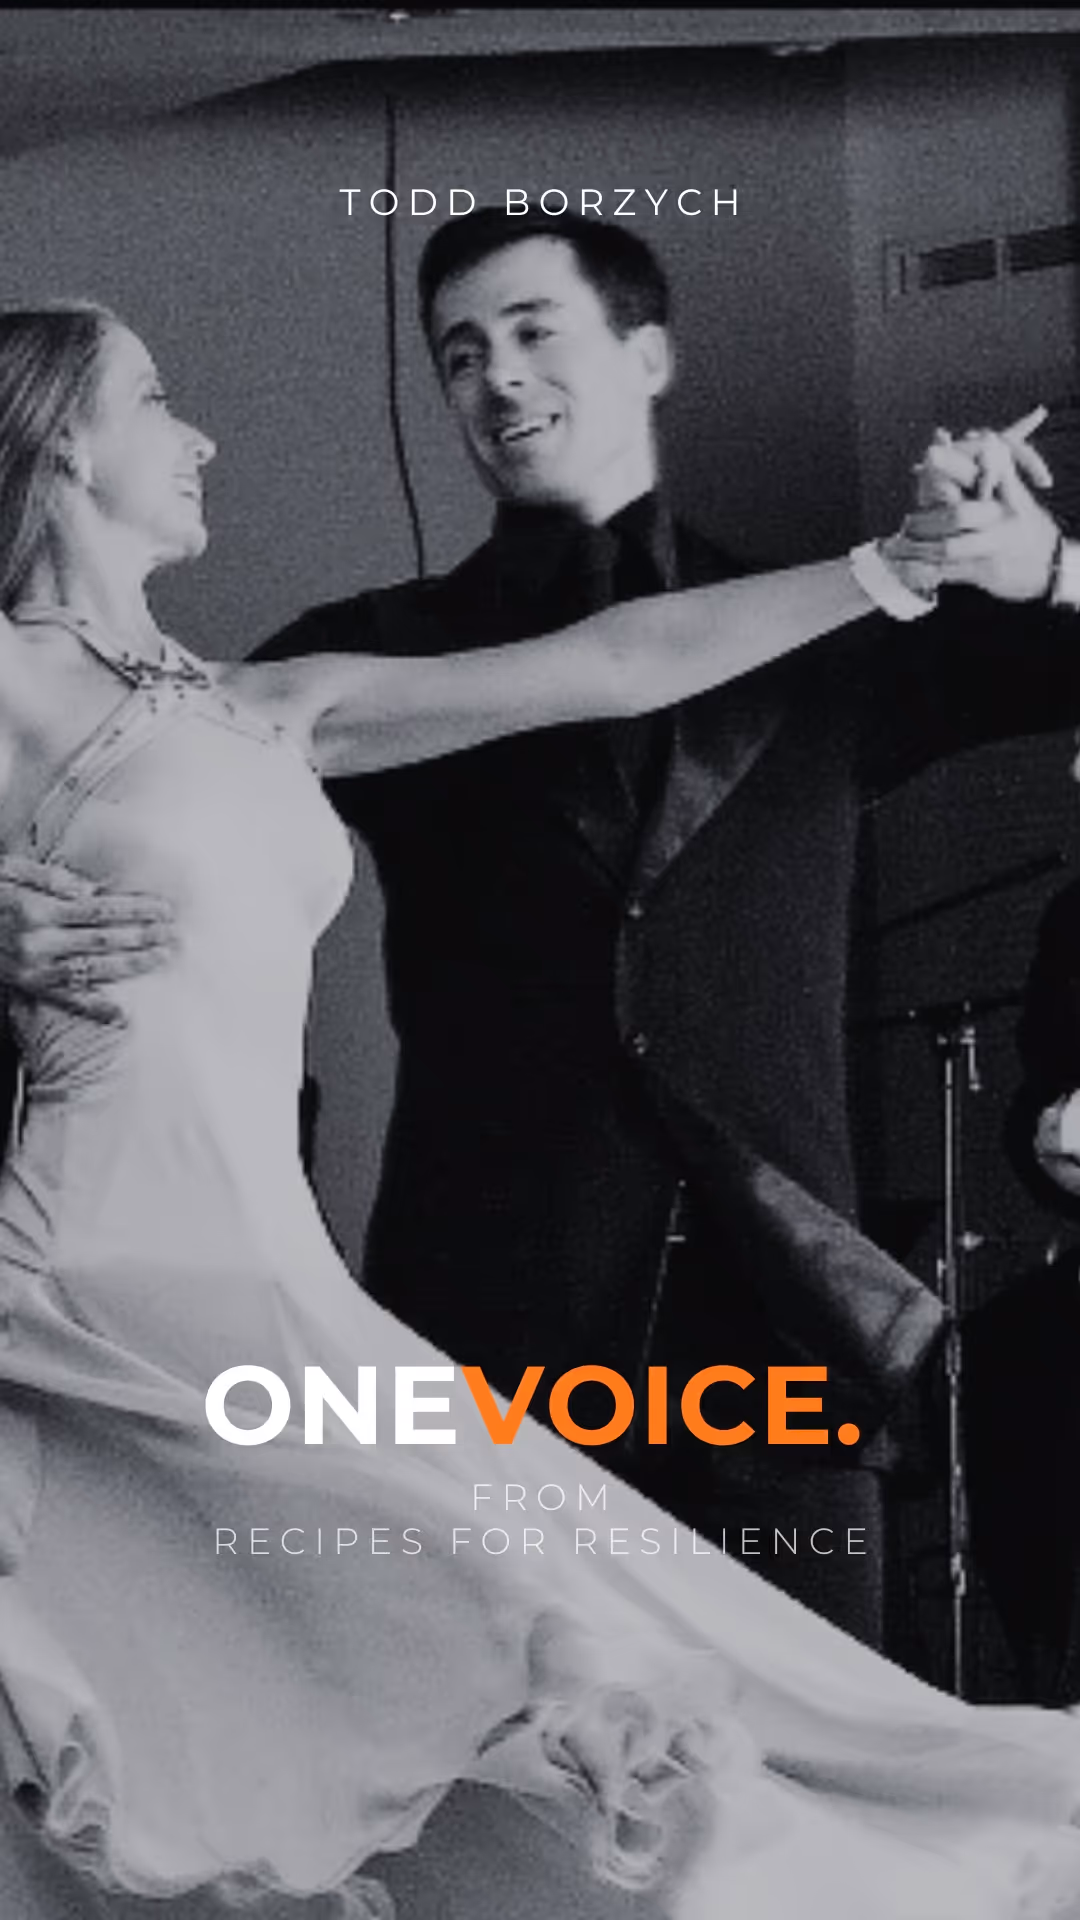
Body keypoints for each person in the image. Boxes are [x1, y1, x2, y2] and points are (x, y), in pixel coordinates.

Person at [3, 303, 1080, 1919]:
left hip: (275, 1288)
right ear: (60, 440)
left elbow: (616, 665)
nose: (201, 434)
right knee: (493, 1617)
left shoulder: (263, 702)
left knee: (603, 1618)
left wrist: (889, 569)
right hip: (102, 1279)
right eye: (159, 400)